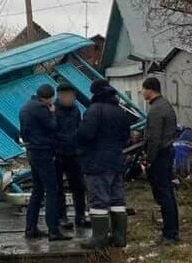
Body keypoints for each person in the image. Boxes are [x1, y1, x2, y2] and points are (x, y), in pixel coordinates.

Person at [75, 79, 133, 249]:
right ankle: (119, 236)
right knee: (117, 200)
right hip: (116, 161)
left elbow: (85, 134)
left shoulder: (94, 110)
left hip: (97, 162)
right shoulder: (120, 111)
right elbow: (125, 136)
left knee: (99, 200)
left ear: (95, 93)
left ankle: (99, 237)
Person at [19, 84, 71, 241]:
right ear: (49, 97)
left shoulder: (25, 107)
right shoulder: (43, 109)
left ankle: (31, 227)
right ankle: (53, 230)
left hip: (32, 151)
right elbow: (52, 127)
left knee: (38, 190)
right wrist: (53, 114)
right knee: (52, 190)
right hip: (43, 152)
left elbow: (24, 132)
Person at [142, 76, 180, 246]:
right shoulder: (166, 105)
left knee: (163, 194)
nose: (142, 92)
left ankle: (169, 234)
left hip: (160, 155)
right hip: (167, 151)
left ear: (150, 89)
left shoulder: (156, 110)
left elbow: (154, 137)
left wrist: (149, 158)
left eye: (143, 89)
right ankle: (171, 231)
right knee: (168, 193)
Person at [53, 83, 89, 230]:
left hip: (74, 154)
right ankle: (62, 216)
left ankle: (80, 216)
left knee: (79, 186)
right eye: (65, 96)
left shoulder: (76, 110)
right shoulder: (52, 110)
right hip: (58, 154)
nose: (68, 99)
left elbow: (78, 128)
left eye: (71, 96)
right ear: (59, 95)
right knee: (58, 188)